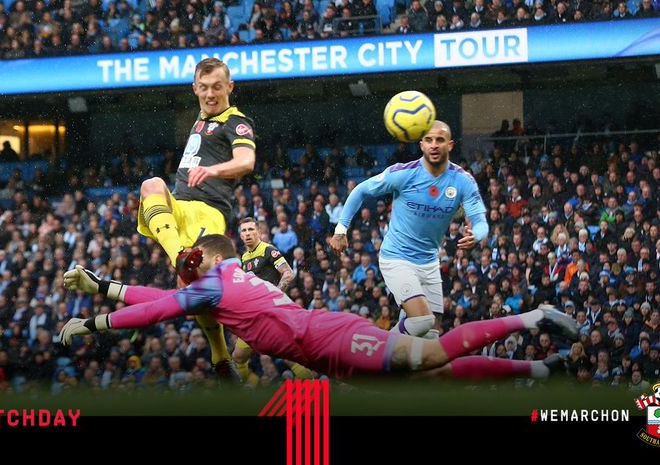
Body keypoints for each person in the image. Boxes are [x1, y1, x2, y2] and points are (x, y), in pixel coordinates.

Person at [60, 235, 574, 381]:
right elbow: (160, 301)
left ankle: (535, 317)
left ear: (213, 257)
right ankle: (540, 369)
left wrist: (92, 321)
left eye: (196, 252)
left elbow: (156, 310)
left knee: (433, 357)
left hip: (328, 337)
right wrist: (104, 286)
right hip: (323, 354)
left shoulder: (214, 285)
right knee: (433, 378)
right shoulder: (228, 283)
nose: (188, 260)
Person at [134, 57, 256, 375]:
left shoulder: (236, 122)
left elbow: (246, 161)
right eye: (203, 88)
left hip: (209, 211)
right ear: (194, 89)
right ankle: (179, 256)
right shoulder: (201, 118)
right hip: (182, 204)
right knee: (151, 184)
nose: (210, 94)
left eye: (217, 87)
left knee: (196, 286)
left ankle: (222, 356)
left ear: (230, 87)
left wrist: (213, 170)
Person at [330, 121, 488, 339]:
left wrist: (476, 235)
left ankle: (401, 367)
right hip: (397, 258)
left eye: (440, 140)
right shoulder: (403, 173)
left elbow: (480, 222)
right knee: (422, 320)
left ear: (450, 145)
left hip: (429, 262)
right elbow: (360, 190)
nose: (434, 145)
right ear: (421, 144)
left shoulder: (463, 181)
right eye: (429, 140)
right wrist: (340, 230)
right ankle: (380, 349)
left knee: (431, 333)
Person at [234, 216, 304, 382]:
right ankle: (251, 387)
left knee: (289, 357)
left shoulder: (268, 250)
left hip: (270, 312)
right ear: (240, 236)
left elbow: (288, 273)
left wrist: (275, 294)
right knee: (238, 357)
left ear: (258, 232)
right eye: (244, 230)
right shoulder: (244, 258)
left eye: (251, 229)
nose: (248, 233)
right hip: (252, 315)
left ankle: (314, 389)